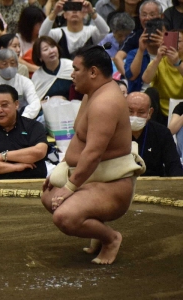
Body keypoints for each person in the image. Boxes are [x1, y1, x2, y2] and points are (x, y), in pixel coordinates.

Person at [41, 45, 146, 265]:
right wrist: (62, 170)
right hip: (95, 177)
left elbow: (93, 153)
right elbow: (80, 142)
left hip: (112, 183)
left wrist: (70, 187)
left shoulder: (105, 103)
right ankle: (98, 232)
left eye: (76, 69)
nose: (72, 74)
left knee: (64, 215)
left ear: (93, 72)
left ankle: (111, 239)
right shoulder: (93, 94)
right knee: (49, 198)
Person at [0, 84, 48, 180]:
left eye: (4, 105)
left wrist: (2, 156)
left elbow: (39, 152)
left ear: (16, 104)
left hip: (32, 185)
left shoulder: (33, 126)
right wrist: (15, 167)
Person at [127, 92, 183, 176]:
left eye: (141, 112)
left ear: (150, 112)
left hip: (154, 182)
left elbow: (174, 166)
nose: (135, 116)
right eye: (130, 111)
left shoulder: (162, 133)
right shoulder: (113, 132)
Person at [38, 0, 110, 59]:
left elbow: (105, 30)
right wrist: (55, 12)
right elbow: (42, 35)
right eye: (70, 8)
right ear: (64, 15)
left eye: (78, 8)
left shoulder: (91, 31)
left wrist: (91, 11)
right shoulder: (58, 32)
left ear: (84, 13)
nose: (74, 11)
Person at [0, 49, 41, 119]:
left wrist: (23, 118)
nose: (9, 67)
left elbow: (35, 103)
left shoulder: (25, 82)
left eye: (12, 63)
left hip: (20, 118)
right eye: (4, 64)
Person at [113, 0, 163, 77]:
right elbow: (118, 58)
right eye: (144, 14)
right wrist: (128, 76)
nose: (148, 18)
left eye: (152, 15)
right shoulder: (135, 36)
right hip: (139, 79)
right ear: (139, 16)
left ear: (161, 16)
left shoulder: (169, 34)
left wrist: (165, 45)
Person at [142, 29, 183, 122]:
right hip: (160, 110)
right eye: (171, 41)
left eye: (179, 41)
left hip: (181, 110)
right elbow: (146, 79)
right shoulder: (159, 61)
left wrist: (177, 62)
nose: (175, 44)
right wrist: (157, 58)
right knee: (150, 92)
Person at [124, 17, 164, 94]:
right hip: (139, 95)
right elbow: (131, 76)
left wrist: (165, 46)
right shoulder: (134, 53)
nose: (153, 35)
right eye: (149, 31)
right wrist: (141, 50)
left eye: (158, 33)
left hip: (163, 97)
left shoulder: (172, 55)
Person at [31, 36, 74, 100]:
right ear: (40, 57)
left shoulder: (71, 66)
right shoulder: (37, 76)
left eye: (53, 46)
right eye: (45, 49)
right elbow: (35, 103)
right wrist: (51, 100)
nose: (51, 51)